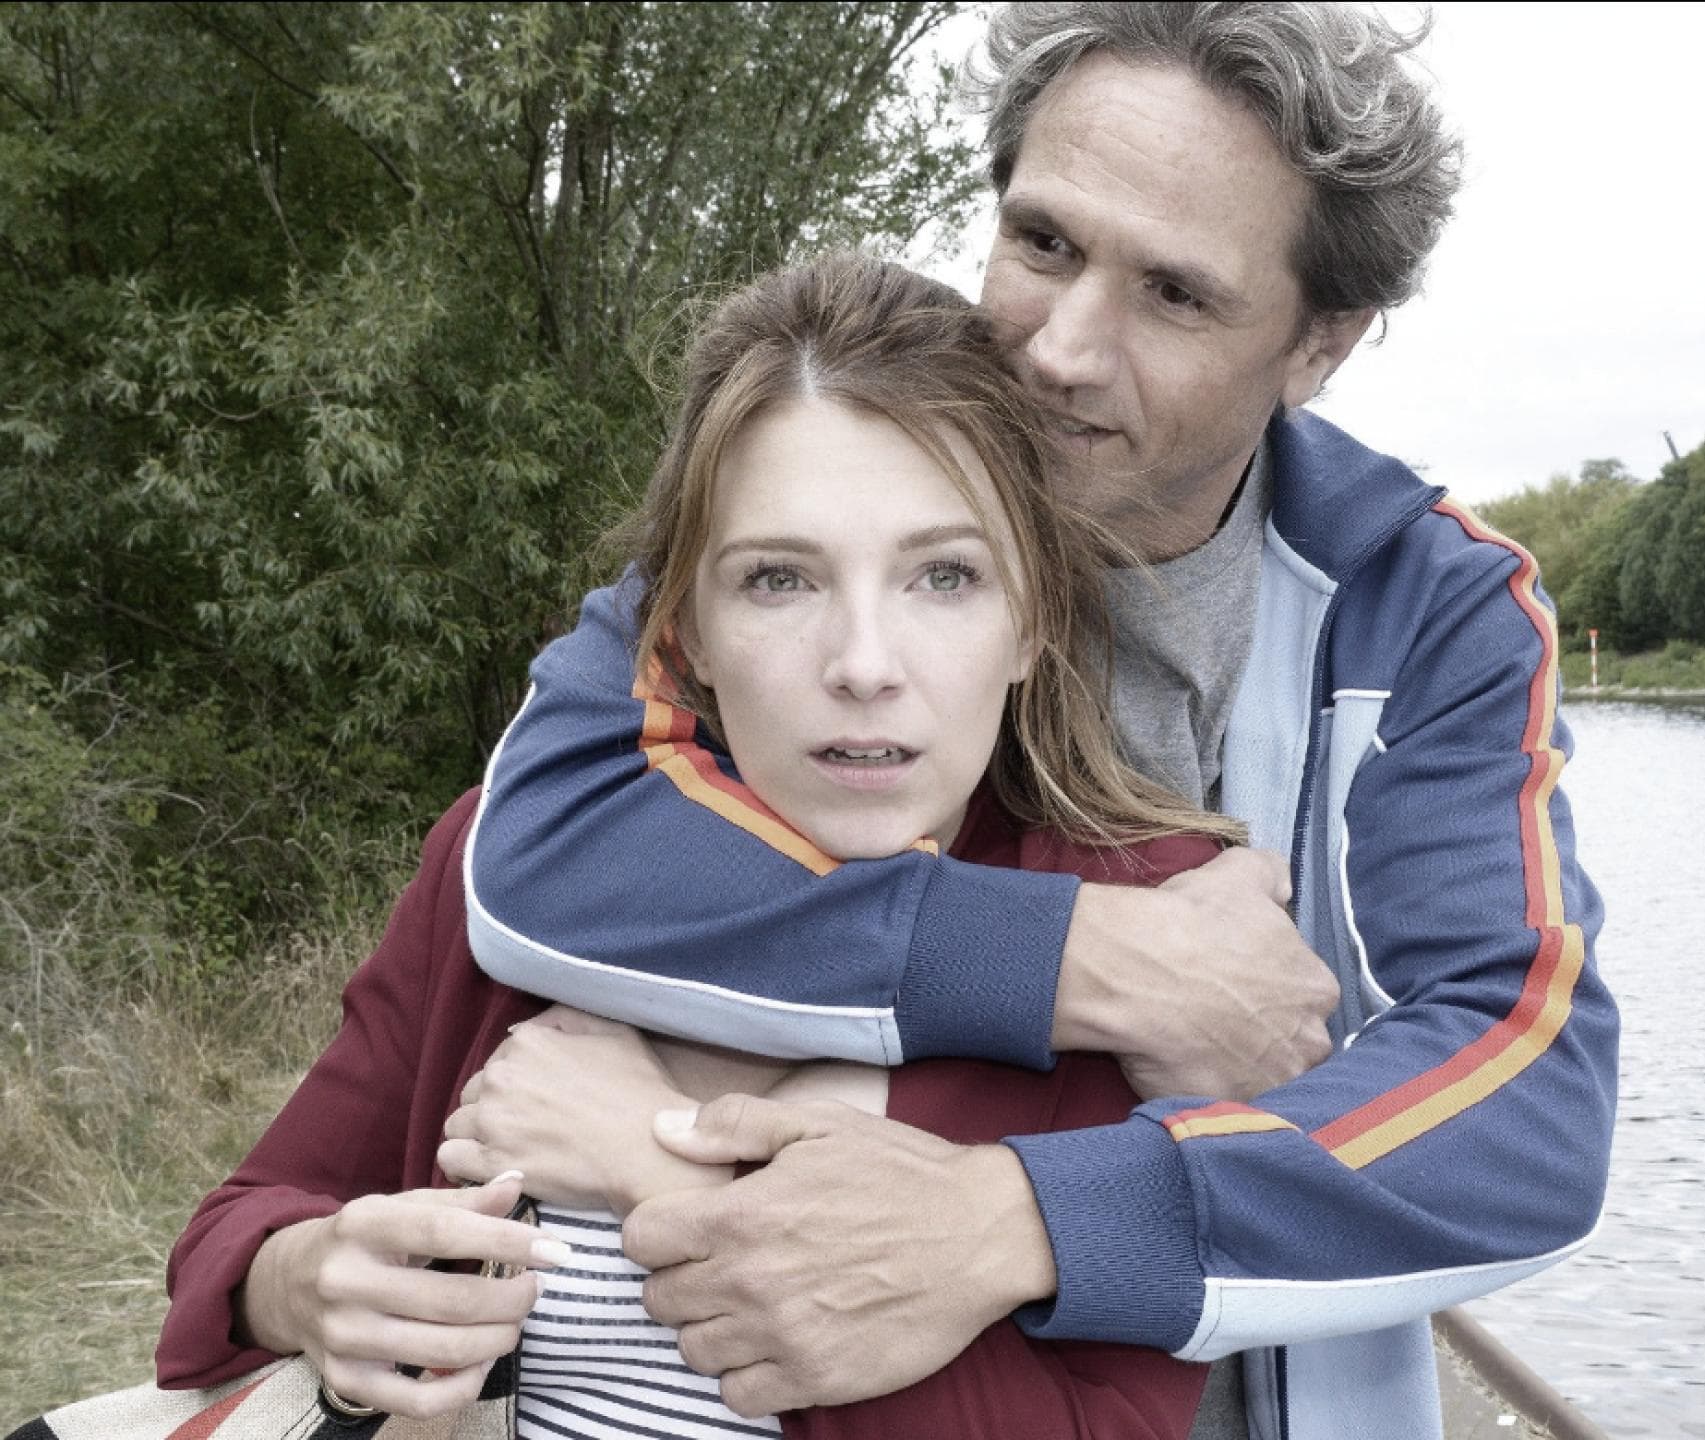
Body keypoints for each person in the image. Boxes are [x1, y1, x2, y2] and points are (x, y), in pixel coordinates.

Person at [455, 6, 1619, 1440]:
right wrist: (1101, 966)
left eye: (1174, 295)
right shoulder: (808, 499)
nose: (1063, 349)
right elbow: (547, 843)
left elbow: (1527, 1109)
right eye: (1045, 243)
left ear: (1318, 343)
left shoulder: (1429, 610)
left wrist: (1017, 1220)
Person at [156, 253, 1263, 1440]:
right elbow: (237, 1235)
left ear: (1030, 619)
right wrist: (309, 1277)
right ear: (685, 628)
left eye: (944, 576)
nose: (864, 664)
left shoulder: (1147, 943)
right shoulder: (525, 871)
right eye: (780, 580)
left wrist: (662, 1175)